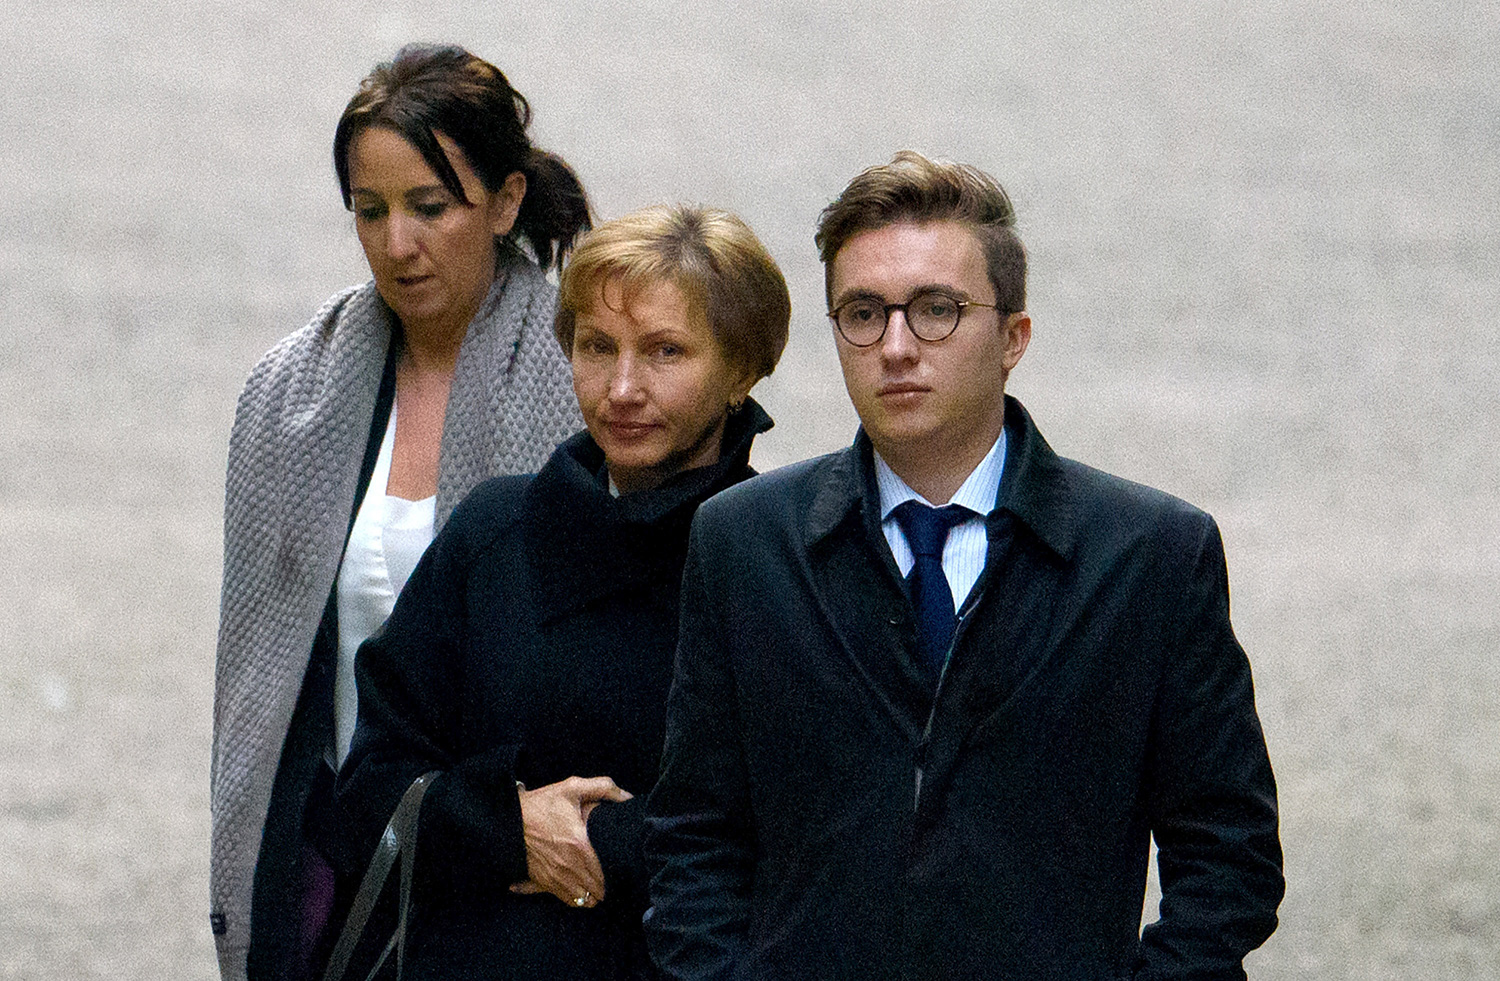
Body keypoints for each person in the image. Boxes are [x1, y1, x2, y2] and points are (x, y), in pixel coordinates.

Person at [645, 151, 1285, 980]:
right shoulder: (743, 542)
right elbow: (694, 832)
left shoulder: (1150, 554)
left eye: (937, 310)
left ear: (1014, 335)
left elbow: (1229, 856)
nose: (897, 345)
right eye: (864, 313)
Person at [210, 44, 591, 981]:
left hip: (524, 882)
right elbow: (257, 681)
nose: (397, 243)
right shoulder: (289, 394)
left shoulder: (590, 382)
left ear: (504, 202)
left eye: (431, 206)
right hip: (339, 869)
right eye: (370, 212)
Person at [332, 203, 790, 979]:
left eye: (665, 352)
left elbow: (806, 832)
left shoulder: (780, 561)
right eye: (595, 346)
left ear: (741, 371)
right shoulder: (495, 533)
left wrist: (590, 843)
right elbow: (369, 785)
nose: (621, 386)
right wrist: (506, 827)